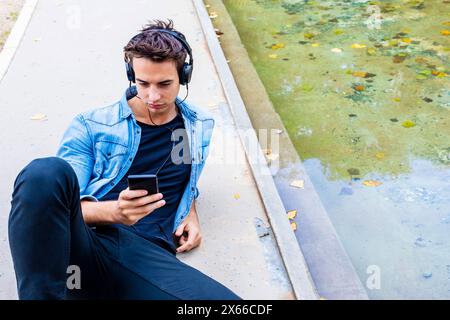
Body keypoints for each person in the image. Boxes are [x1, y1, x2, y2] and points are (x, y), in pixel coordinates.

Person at [8, 19, 241, 300]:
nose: (153, 96)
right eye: (143, 83)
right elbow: (58, 206)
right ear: (131, 75)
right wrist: (115, 213)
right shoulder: (91, 126)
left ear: (185, 76)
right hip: (88, 245)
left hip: (147, 258)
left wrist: (190, 211)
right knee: (43, 173)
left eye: (165, 84)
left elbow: (186, 177)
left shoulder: (197, 125)